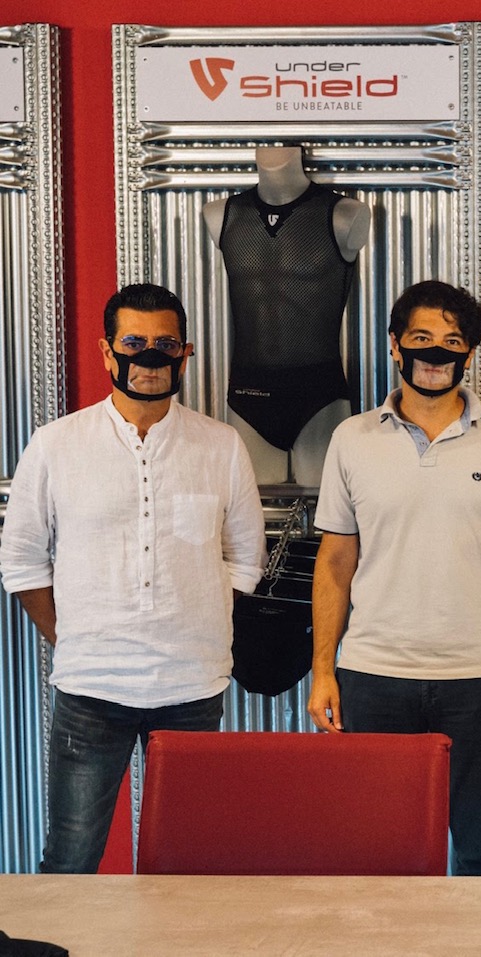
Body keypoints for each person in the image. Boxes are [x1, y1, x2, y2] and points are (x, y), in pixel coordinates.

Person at [0, 282, 266, 873]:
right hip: (90, 688)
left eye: (165, 344)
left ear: (185, 354)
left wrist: (195, 620)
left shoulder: (221, 447)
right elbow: (21, 561)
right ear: (106, 351)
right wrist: (72, 638)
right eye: (134, 343)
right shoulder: (55, 445)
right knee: (70, 859)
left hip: (192, 688)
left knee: (193, 863)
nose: (150, 357)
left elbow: (246, 558)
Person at [307, 279, 481, 876]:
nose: (436, 352)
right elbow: (335, 562)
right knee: (377, 853)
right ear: (395, 345)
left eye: (452, 341)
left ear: (470, 353)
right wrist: (323, 670)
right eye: (421, 338)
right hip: (373, 676)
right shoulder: (352, 439)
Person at [204, 145, 371, 486]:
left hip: (318, 394)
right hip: (250, 393)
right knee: (252, 510)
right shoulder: (221, 213)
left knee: (330, 509)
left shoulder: (344, 214)